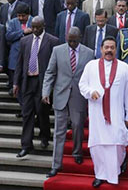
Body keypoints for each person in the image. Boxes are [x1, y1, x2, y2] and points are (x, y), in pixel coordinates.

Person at [79, 36, 128, 187]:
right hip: (97, 114)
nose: (109, 50)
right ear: (101, 49)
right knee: (98, 146)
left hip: (116, 113)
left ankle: (115, 171)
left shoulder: (124, 67)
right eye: (106, 47)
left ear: (116, 50)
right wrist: (91, 92)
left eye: (112, 47)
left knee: (116, 143)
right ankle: (100, 174)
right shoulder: (91, 65)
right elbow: (82, 85)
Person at [43, 27, 94, 178]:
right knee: (59, 131)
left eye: (74, 40)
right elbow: (50, 72)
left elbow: (91, 75)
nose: (71, 43)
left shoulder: (89, 53)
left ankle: (77, 152)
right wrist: (46, 91)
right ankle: (56, 165)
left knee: (78, 126)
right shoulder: (57, 51)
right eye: (69, 40)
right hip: (60, 95)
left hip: (78, 96)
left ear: (80, 38)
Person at [13, 16, 59, 157]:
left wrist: (52, 86)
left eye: (37, 27)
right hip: (28, 81)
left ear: (43, 26)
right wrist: (16, 82)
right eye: (32, 27)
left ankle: (45, 136)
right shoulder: (25, 41)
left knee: (42, 112)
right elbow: (20, 63)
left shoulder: (52, 41)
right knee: (27, 113)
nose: (34, 30)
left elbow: (55, 66)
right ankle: (26, 145)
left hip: (43, 83)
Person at [6, 3, 33, 110]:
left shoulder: (34, 21)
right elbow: (8, 36)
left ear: (28, 15)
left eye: (23, 16)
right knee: (17, 88)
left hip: (30, 60)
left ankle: (28, 109)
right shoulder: (13, 22)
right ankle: (24, 109)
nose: (21, 18)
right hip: (15, 60)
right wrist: (22, 32)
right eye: (19, 16)